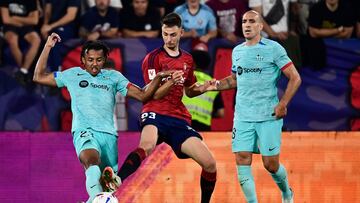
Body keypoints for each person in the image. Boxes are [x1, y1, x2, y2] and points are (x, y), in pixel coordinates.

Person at [32, 32, 179, 203]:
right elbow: (38, 76)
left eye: (99, 60)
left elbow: (142, 95)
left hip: (109, 136)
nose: (94, 64)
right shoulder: (72, 75)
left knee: (106, 189)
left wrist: (160, 78)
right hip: (84, 131)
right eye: (90, 60)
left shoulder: (114, 77)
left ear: (104, 60)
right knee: (91, 163)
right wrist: (48, 46)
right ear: (83, 60)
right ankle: (98, 198)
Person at [104, 12, 218, 203]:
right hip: (154, 111)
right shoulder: (152, 58)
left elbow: (189, 91)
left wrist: (204, 88)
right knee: (146, 146)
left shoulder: (188, 60)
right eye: (165, 34)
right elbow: (152, 94)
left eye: (173, 34)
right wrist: (170, 82)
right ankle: (115, 182)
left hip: (178, 117)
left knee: (210, 164)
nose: (169, 38)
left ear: (181, 32)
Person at [201, 10, 301, 202]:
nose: (246, 25)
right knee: (242, 158)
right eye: (244, 21)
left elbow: (295, 78)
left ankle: (287, 193)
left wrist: (283, 103)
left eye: (252, 21)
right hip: (243, 116)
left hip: (268, 115)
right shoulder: (237, 51)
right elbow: (234, 80)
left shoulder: (274, 48)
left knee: (270, 165)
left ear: (260, 26)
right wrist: (214, 85)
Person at [182, 41, 225, 131]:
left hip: (183, 123)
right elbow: (221, 113)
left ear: (193, 63)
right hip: (204, 127)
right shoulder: (213, 83)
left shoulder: (184, 79)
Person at [0, 0, 41, 85]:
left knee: (36, 40)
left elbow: (34, 20)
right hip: (10, 27)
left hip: (26, 27)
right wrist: (26, 19)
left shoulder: (31, 1)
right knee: (12, 40)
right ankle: (23, 71)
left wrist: (15, 18)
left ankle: (23, 71)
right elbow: (6, 19)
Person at [41, 0, 80, 71]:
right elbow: (47, 11)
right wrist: (45, 26)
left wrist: (50, 26)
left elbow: (71, 16)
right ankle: (41, 71)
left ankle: (57, 71)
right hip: (52, 26)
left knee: (55, 40)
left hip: (68, 27)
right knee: (42, 39)